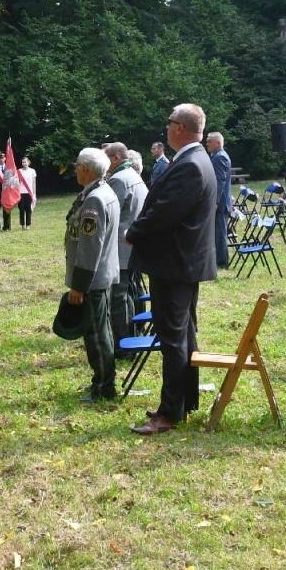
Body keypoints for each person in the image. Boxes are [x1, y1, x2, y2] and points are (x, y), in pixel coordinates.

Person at [126, 103, 217, 434]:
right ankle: (184, 401)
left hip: (175, 264)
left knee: (172, 338)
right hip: (182, 263)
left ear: (180, 127)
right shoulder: (194, 160)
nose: (165, 128)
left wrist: (133, 233)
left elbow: (165, 211)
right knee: (184, 334)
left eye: (169, 123)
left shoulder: (191, 165)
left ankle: (169, 413)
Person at [65, 148, 121, 401]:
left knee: (96, 335)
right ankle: (101, 381)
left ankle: (103, 387)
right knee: (101, 330)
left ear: (86, 169)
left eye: (77, 166)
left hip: (92, 279)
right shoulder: (102, 192)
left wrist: (79, 286)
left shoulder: (95, 199)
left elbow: (89, 247)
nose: (75, 169)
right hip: (101, 276)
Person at [102, 142, 149, 343]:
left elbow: (110, 213)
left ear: (115, 158)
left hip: (121, 248)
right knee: (130, 291)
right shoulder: (133, 176)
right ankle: (134, 332)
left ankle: (123, 342)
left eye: (105, 159)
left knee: (119, 297)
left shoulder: (119, 180)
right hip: (133, 245)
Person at [206, 131, 232, 268]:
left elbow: (219, 181)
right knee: (218, 232)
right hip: (221, 202)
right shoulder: (217, 156)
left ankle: (222, 263)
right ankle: (218, 260)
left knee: (220, 233)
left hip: (220, 204)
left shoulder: (219, 157)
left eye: (209, 141)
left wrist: (215, 201)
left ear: (218, 143)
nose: (207, 144)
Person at [18, 156, 37, 229]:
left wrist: (34, 193)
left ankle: (28, 225)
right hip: (21, 193)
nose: (24, 163)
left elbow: (33, 183)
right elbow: (17, 182)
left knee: (28, 209)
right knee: (21, 209)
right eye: (23, 162)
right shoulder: (19, 171)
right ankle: (22, 225)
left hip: (29, 193)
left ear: (28, 162)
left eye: (25, 162)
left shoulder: (32, 171)